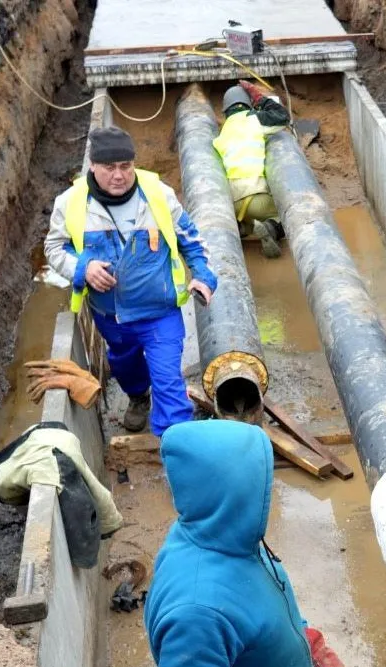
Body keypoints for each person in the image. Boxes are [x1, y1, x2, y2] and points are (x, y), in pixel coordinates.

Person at [145, 419, 358, 667]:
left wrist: (312, 648)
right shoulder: (198, 609)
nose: (270, 495)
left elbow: (273, 608)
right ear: (233, 493)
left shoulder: (230, 537)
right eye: (262, 484)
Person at [43, 126, 217, 436]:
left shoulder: (158, 196)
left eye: (125, 166)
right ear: (93, 167)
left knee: (168, 383)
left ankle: (178, 449)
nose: (119, 175)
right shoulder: (70, 203)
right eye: (109, 168)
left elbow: (191, 239)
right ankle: (138, 397)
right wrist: (84, 267)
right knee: (125, 366)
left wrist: (203, 276)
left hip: (160, 313)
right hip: (112, 317)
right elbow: (54, 249)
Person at [214, 81, 289, 258]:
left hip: (233, 202)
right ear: (249, 105)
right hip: (257, 196)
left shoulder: (223, 132)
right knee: (288, 218)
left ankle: (242, 228)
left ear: (226, 110)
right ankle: (272, 229)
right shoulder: (253, 119)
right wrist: (259, 97)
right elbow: (282, 117)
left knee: (251, 221)